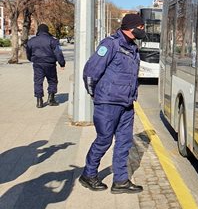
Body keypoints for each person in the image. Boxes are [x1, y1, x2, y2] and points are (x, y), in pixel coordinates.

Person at [78, 13, 146, 194]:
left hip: (126, 104)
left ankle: (121, 181)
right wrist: (95, 95)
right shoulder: (110, 44)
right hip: (108, 103)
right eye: (141, 27)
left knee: (124, 142)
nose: (143, 31)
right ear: (131, 27)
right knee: (104, 140)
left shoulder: (133, 48)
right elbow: (90, 72)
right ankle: (88, 175)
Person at [26, 24, 65, 108]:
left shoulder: (31, 41)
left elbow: (28, 53)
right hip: (50, 64)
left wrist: (31, 59)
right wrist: (62, 63)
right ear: (47, 30)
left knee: (38, 82)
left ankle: (39, 101)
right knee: (52, 81)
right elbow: (58, 53)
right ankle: (51, 99)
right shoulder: (52, 40)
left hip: (37, 64)